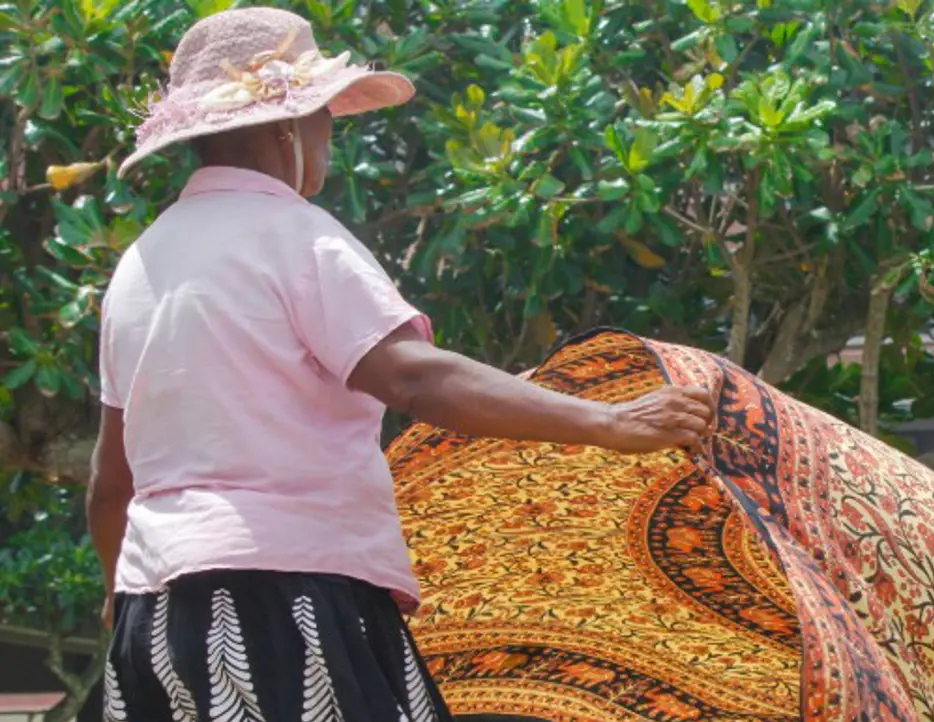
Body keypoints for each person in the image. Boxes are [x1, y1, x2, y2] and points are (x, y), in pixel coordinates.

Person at [87, 7, 713, 721]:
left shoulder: (138, 268)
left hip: (151, 616)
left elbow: (112, 486)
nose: (330, 137)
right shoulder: (295, 236)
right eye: (324, 117)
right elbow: (411, 376)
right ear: (284, 127)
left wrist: (126, 599)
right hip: (283, 598)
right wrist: (608, 420)